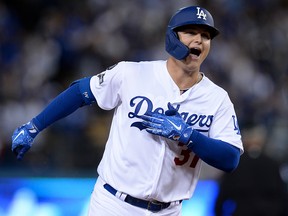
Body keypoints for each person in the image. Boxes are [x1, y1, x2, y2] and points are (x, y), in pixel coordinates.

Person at [11, 6, 243, 216]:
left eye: (205, 36)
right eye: (191, 32)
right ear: (172, 37)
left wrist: (190, 136)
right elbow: (80, 91)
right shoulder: (132, 74)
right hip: (113, 204)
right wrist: (34, 126)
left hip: (169, 211)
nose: (199, 40)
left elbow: (230, 158)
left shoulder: (216, 98)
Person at [214, 125, 288, 216]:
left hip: (242, 211)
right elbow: (281, 194)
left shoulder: (236, 163)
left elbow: (224, 192)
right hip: (269, 211)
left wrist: (219, 211)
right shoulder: (272, 163)